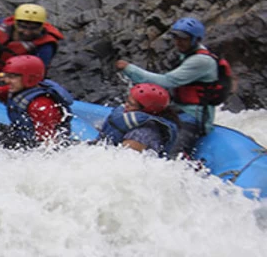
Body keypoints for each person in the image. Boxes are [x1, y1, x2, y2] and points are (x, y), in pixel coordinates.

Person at [115, 17, 233, 156]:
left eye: (184, 38)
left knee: (174, 156)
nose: (178, 42)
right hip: (178, 111)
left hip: (193, 118)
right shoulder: (188, 55)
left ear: (196, 39)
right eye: (176, 37)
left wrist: (130, 69)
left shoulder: (201, 61)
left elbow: (166, 81)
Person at [0, 55, 74, 149]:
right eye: (6, 76)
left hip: (32, 146)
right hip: (20, 135)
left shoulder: (40, 106)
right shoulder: (17, 89)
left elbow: (48, 144)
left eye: (12, 77)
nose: (6, 80)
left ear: (30, 78)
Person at [0, 3, 64, 73]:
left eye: (33, 28)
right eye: (23, 27)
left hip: (17, 83)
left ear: (42, 26)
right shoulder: (4, 24)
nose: (27, 32)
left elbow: (37, 71)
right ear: (15, 23)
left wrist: (9, 79)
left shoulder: (45, 46)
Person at [97, 83, 180, 156]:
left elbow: (125, 161)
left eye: (131, 104)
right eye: (127, 101)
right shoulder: (133, 117)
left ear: (146, 109)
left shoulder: (143, 133)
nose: (125, 105)